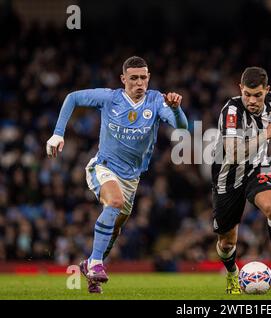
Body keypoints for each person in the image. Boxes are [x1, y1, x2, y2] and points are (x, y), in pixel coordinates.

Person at [46, 56, 188, 293]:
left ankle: (90, 266)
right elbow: (73, 98)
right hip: (103, 167)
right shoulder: (110, 98)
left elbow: (181, 126)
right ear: (124, 79)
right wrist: (58, 133)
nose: (139, 83)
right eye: (133, 78)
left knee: (116, 228)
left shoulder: (155, 100)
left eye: (143, 77)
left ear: (149, 77)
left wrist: (176, 108)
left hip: (131, 179)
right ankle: (98, 264)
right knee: (114, 201)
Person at [211, 66, 271, 294]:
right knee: (227, 242)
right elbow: (234, 154)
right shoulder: (232, 111)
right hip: (229, 175)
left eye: (258, 95)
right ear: (240, 89)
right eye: (247, 94)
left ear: (267, 90)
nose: (252, 100)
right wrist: (266, 134)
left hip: (259, 166)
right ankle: (232, 273)